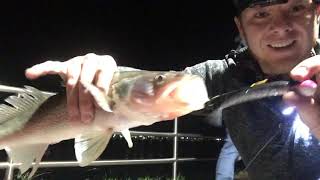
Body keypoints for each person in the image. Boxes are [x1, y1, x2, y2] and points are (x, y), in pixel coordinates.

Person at [24, 0, 320, 179]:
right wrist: (109, 74)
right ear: (240, 28)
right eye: (261, 13)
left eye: (295, 7)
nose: (281, 26)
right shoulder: (220, 76)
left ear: (317, 15)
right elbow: (158, 86)